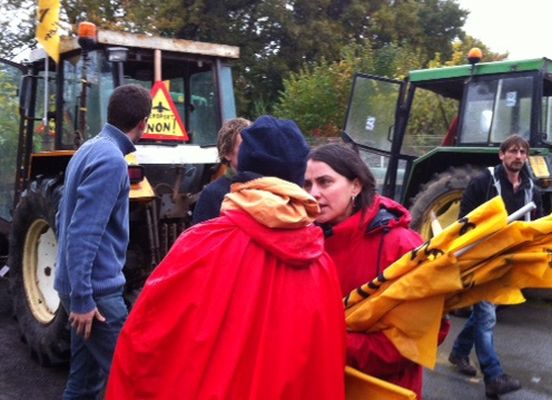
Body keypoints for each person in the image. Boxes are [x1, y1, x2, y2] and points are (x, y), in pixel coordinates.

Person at [106, 115, 345, 400]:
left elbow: (144, 344)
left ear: (242, 165)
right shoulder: (320, 264)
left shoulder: (198, 245)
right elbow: (324, 369)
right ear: (297, 178)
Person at [304, 143, 449, 399]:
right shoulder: (306, 242)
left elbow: (428, 331)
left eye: (325, 182)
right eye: (307, 184)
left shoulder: (402, 245)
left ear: (355, 186)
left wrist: (333, 344)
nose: (313, 193)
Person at [54, 84, 152, 399]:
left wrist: (73, 285)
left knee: (83, 385)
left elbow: (61, 219)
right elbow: (83, 231)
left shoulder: (87, 149)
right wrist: (83, 298)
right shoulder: (111, 160)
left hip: (77, 289)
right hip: (96, 299)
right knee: (136, 378)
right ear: (143, 123)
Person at [448, 134, 543, 398]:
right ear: (502, 155)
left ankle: (458, 353)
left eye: (523, 152)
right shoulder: (484, 182)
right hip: (483, 258)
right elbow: (464, 218)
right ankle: (493, 375)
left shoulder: (531, 188)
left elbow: (539, 222)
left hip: (509, 260)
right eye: (513, 151)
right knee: (487, 314)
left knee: (484, 312)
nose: (519, 157)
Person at [191, 117, 251, 224]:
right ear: (227, 153)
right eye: (244, 146)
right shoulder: (213, 195)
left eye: (253, 145)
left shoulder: (268, 187)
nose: (252, 152)